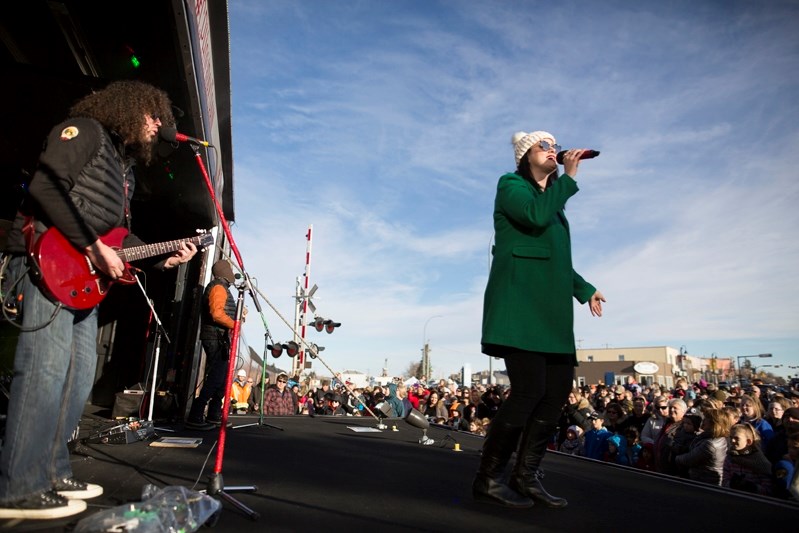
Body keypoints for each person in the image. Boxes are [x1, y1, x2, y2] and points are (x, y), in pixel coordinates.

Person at [0, 81, 197, 520]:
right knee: (44, 370)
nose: (157, 127)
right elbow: (45, 190)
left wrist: (164, 257)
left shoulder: (123, 169)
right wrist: (91, 247)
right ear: (133, 109)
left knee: (77, 373)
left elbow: (120, 239)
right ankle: (18, 485)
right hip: (48, 260)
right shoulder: (83, 130)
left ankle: (51, 471)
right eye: (154, 117)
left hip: (81, 279)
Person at [473, 130, 605, 509]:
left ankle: (525, 476)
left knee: (556, 395)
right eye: (543, 146)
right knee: (528, 392)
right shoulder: (511, 185)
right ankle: (489, 478)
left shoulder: (553, 200)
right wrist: (569, 178)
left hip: (551, 314)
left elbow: (554, 258)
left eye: (554, 145)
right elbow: (533, 218)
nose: (552, 150)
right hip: (520, 308)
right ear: (524, 155)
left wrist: (584, 288)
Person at [186, 260, 238, 430]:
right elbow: (216, 314)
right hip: (215, 338)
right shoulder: (218, 287)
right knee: (216, 378)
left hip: (219, 338)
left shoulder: (221, 287)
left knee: (222, 379)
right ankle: (195, 414)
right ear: (225, 272)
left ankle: (214, 415)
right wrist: (234, 324)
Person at [674, 408, 730, 486]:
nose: (703, 422)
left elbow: (689, 459)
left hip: (705, 482)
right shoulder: (717, 438)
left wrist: (675, 458)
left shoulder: (710, 445)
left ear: (713, 424)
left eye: (706, 420)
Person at [722, 423, 773, 496]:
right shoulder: (730, 457)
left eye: (737, 438)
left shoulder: (760, 461)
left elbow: (768, 489)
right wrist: (731, 484)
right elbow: (724, 480)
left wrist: (751, 486)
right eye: (731, 437)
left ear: (748, 442)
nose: (732, 441)